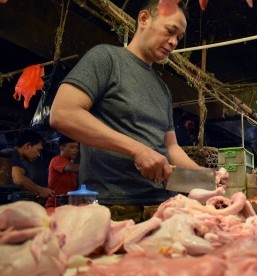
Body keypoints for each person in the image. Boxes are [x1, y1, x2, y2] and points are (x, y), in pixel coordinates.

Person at [50, 0, 226, 221]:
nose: (173, 42)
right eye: (170, 31)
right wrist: (137, 150)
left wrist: (205, 178)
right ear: (144, 19)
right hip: (113, 209)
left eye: (178, 38)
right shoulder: (106, 59)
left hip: (163, 206)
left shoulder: (162, 89)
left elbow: (171, 147)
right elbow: (63, 113)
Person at [9, 130, 53, 199]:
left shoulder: (21, 159)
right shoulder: (11, 154)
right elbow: (18, 179)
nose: (38, 155)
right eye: (38, 150)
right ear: (27, 146)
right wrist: (41, 190)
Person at [45, 135, 79, 208]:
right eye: (72, 147)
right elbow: (73, 168)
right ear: (62, 148)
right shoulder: (57, 160)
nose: (75, 150)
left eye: (77, 148)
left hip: (67, 207)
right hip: (54, 207)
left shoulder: (72, 164)